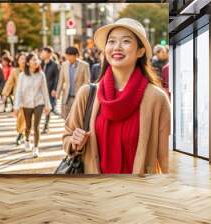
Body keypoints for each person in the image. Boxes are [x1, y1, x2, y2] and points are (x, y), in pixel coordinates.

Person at [62, 18, 171, 174]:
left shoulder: (157, 99)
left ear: (140, 51)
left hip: (139, 195)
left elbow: (165, 159)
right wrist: (74, 141)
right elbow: (67, 137)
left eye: (126, 41)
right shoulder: (87, 94)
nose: (117, 47)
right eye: (111, 42)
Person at [13, 53, 51, 158]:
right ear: (28, 62)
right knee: (28, 126)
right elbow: (19, 92)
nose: (36, 61)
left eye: (37, 60)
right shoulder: (22, 75)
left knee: (36, 126)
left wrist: (48, 105)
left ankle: (36, 148)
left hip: (39, 103)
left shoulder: (41, 74)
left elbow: (44, 90)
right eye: (33, 60)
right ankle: (26, 140)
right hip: (27, 104)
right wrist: (16, 107)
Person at [56, 47, 90, 119]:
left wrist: (84, 95)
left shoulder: (85, 65)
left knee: (77, 118)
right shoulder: (64, 65)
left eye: (70, 56)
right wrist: (57, 94)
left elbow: (87, 81)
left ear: (76, 55)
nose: (68, 58)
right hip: (67, 97)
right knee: (66, 118)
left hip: (78, 96)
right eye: (67, 56)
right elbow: (61, 80)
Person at [1, 52, 27, 145]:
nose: (23, 60)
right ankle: (21, 133)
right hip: (19, 99)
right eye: (21, 59)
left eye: (25, 58)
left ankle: (25, 133)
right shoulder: (15, 71)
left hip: (31, 98)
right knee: (20, 117)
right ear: (18, 61)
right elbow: (9, 83)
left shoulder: (32, 70)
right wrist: (4, 94)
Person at [40, 46, 60, 134]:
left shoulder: (55, 65)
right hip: (41, 90)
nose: (42, 54)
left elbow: (57, 78)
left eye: (44, 52)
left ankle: (46, 126)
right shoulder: (41, 64)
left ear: (49, 54)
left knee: (48, 108)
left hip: (50, 89)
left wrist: (55, 89)